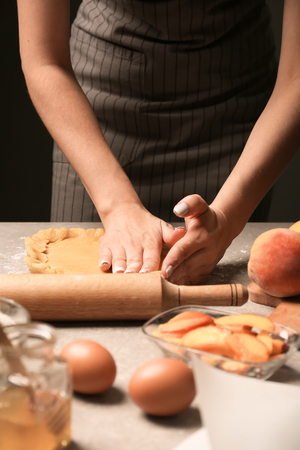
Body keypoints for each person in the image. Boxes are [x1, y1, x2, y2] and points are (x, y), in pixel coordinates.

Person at [17, 0, 300, 285]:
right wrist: (117, 205)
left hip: (234, 120)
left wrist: (227, 216)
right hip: (98, 121)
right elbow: (44, 61)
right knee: (85, 295)